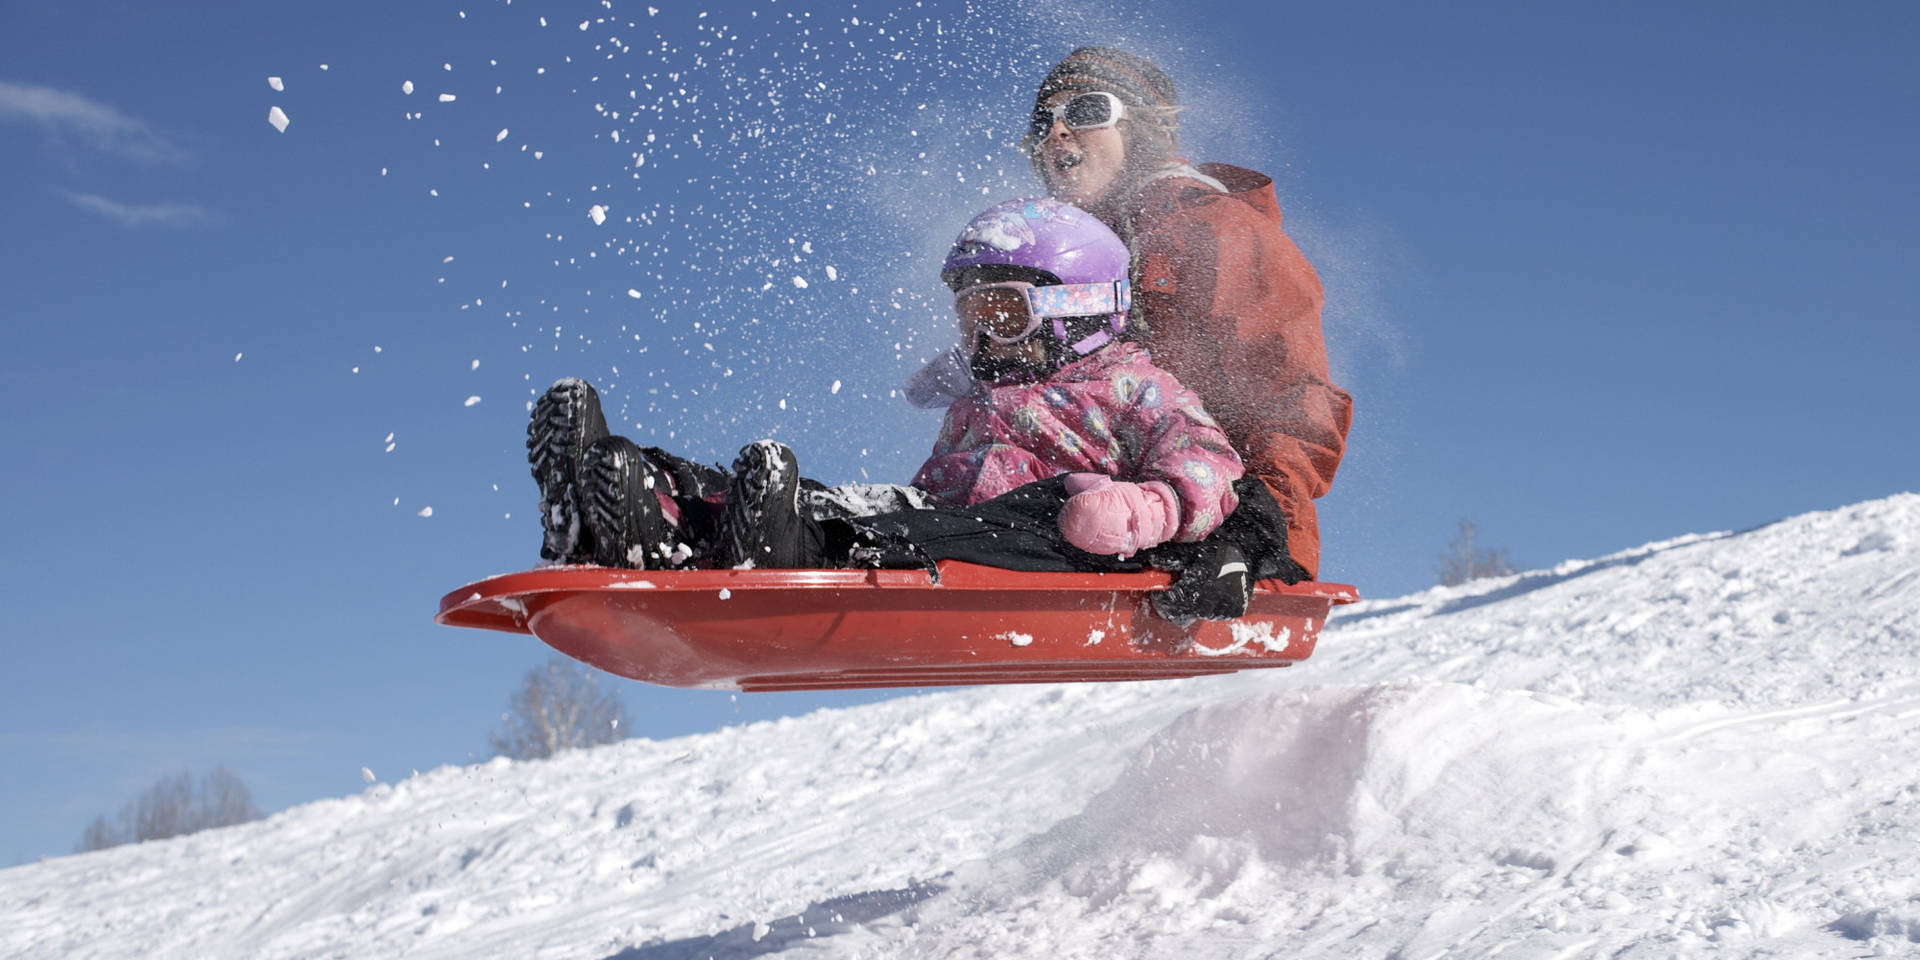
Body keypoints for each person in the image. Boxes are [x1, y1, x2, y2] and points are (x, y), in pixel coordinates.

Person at [527, 198, 1247, 581]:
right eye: (971, 317)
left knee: (922, 524)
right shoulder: (988, 384)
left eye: (1001, 313)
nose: (982, 337)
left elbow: (1210, 462)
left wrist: (1146, 508)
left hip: (1039, 539)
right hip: (942, 517)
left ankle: (789, 545)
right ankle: (653, 506)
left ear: (1078, 311)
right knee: (837, 500)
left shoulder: (1131, 384)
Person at [907, 48, 1352, 617]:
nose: (1058, 131)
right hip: (1075, 508)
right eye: (1043, 122)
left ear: (1140, 128)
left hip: (1205, 521)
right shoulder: (1059, 254)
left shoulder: (1216, 228)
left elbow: (1294, 396)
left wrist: (1253, 537)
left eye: (1087, 110)